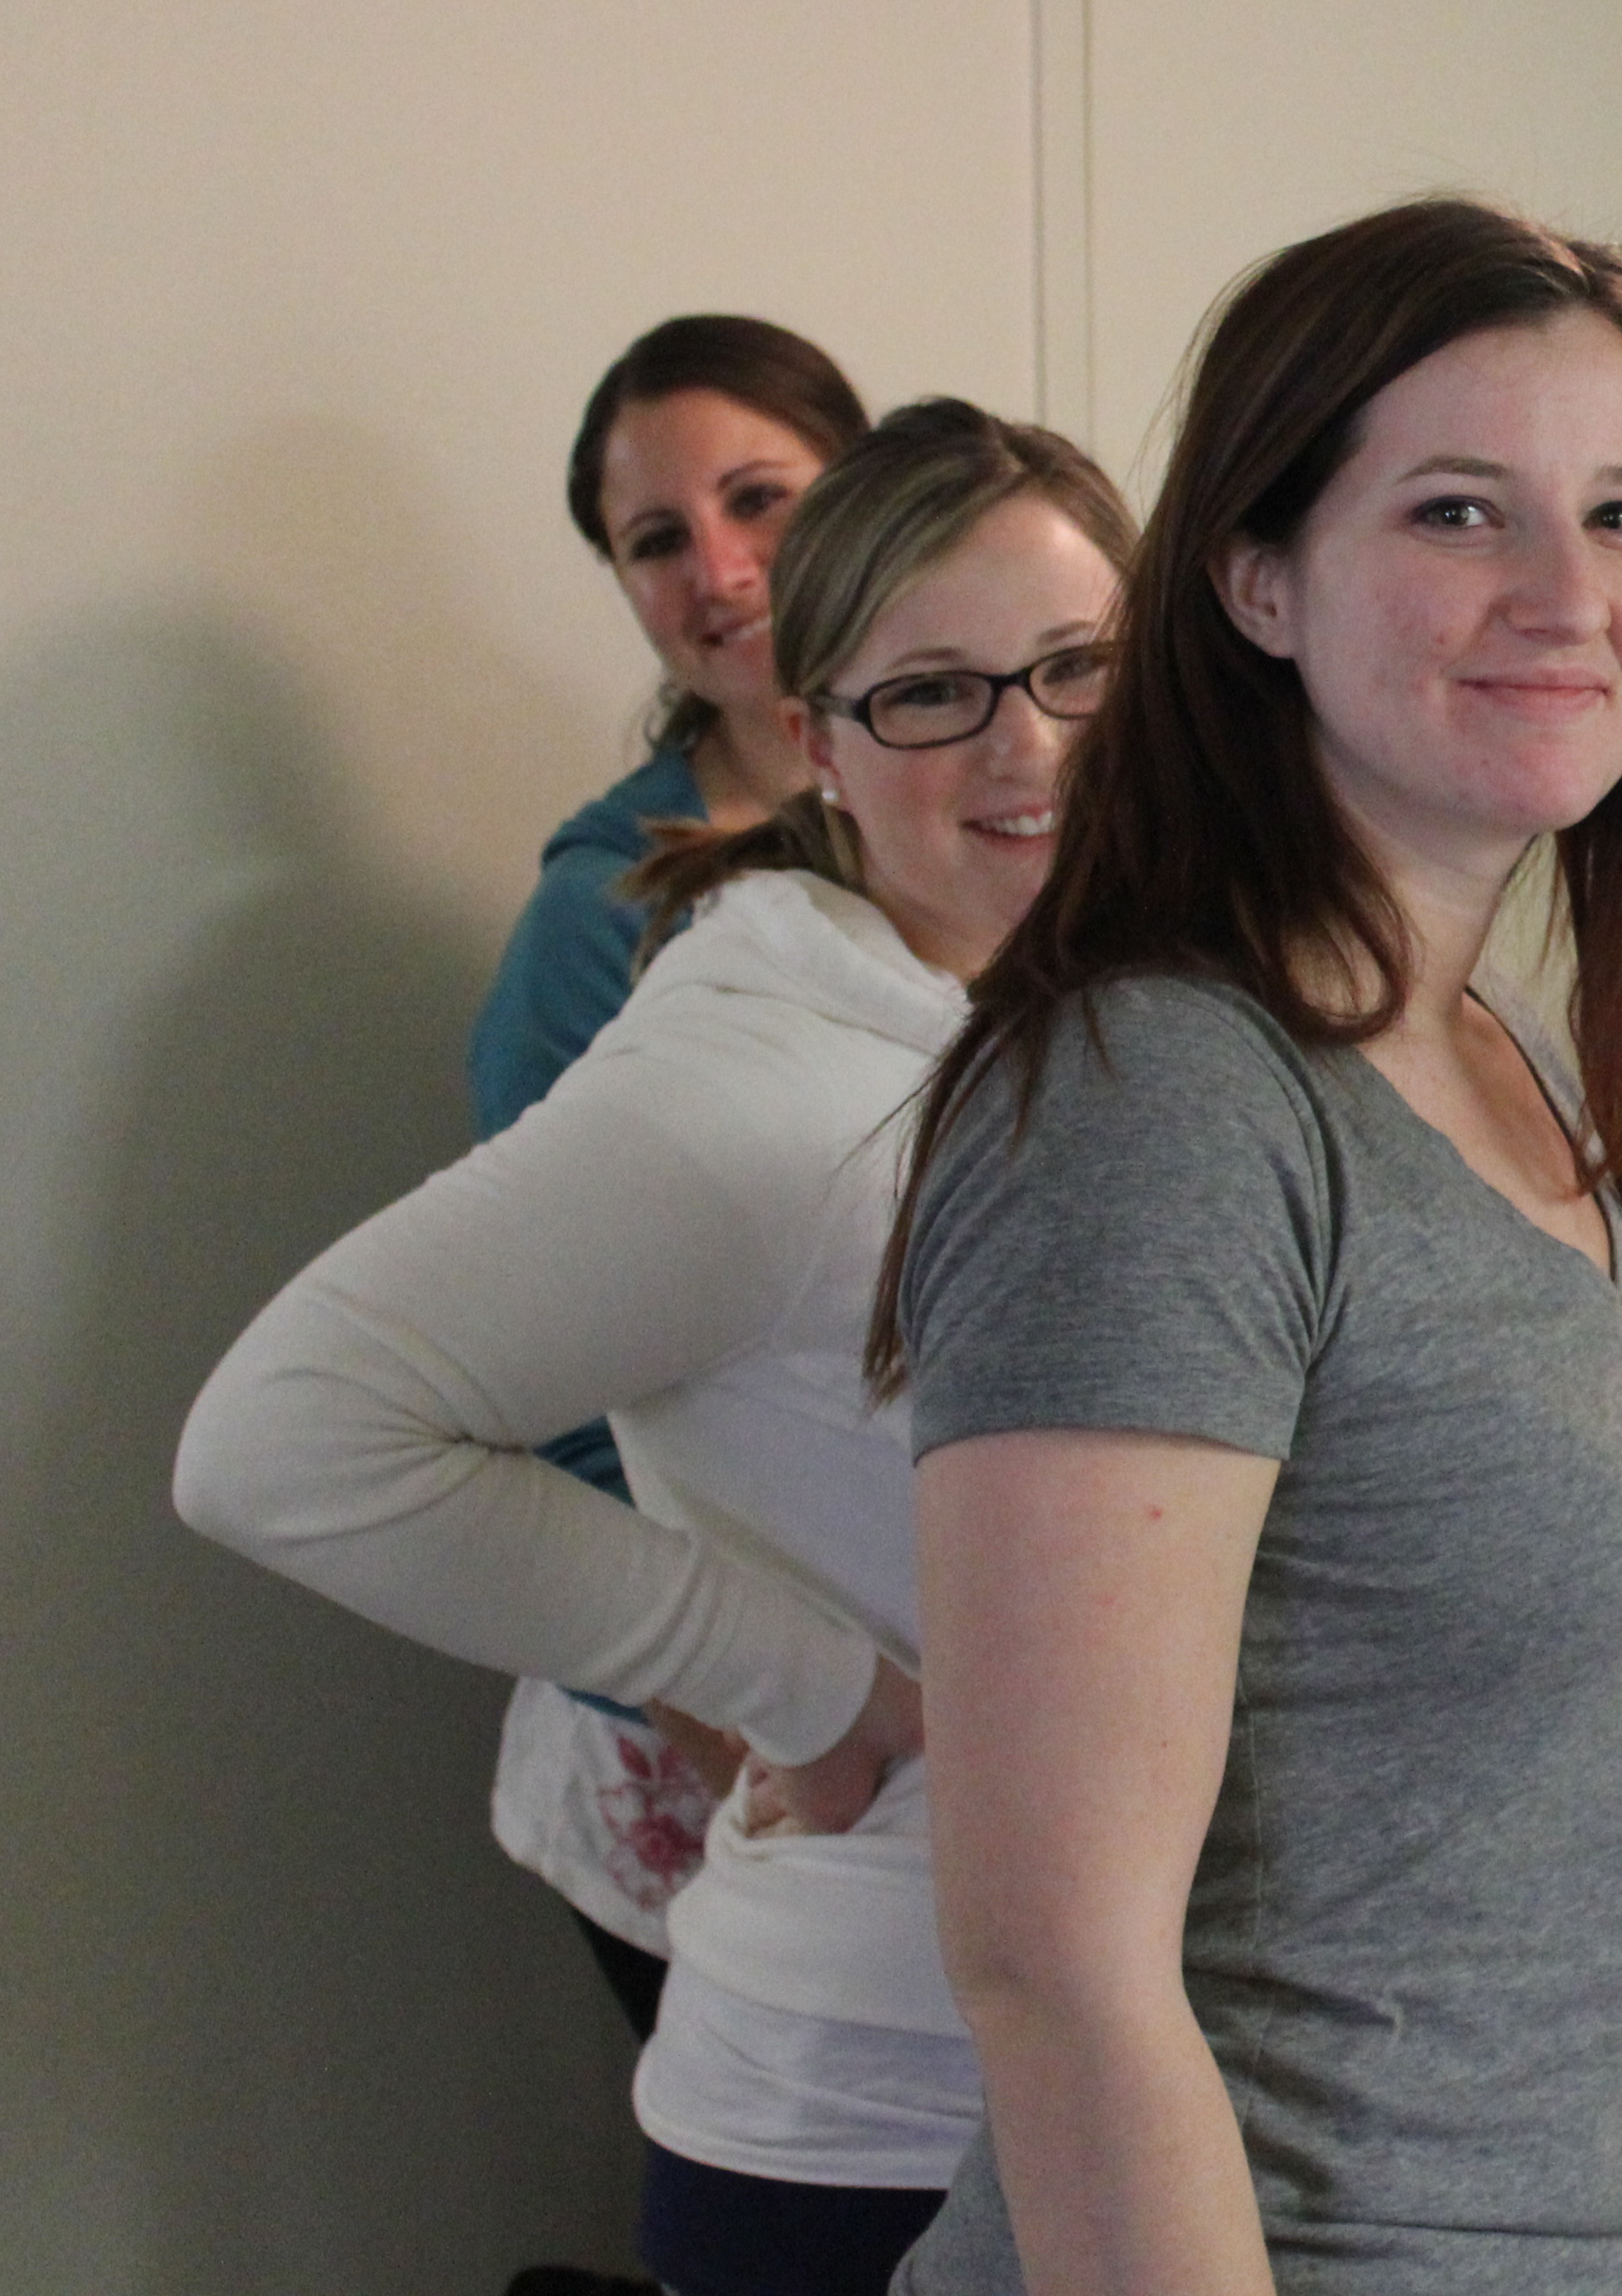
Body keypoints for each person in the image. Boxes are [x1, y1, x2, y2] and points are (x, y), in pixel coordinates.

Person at [880, 201, 1622, 2296]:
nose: (1568, 592)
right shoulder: (1162, 1105)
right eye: (1459, 511)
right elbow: (1057, 1969)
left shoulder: (1507, 1049)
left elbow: (1602, 1878)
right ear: (1256, 576)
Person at [180, 401, 1135, 2296]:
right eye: (930, 693)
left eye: (1077, 667)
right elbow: (280, 1439)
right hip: (884, 2119)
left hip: (1136, 2060)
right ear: (817, 741)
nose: (1027, 742)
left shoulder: (1101, 1004)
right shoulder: (754, 1081)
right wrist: (804, 1684)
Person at [478, 315, 873, 2048]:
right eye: (657, 538)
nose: (718, 570)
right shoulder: (605, 917)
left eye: (759, 497)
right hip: (724, 1736)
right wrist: (756, 1724)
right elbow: (536, 1387)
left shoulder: (1016, 822)